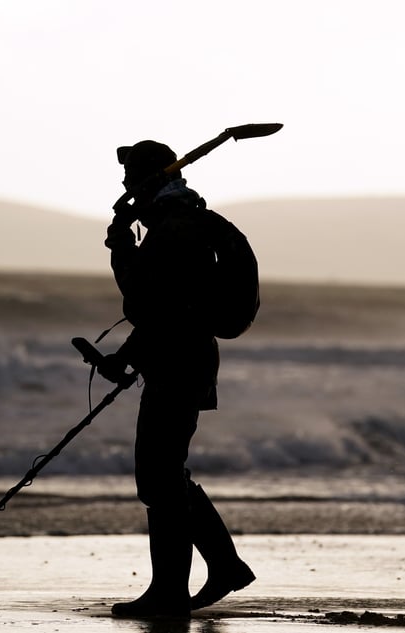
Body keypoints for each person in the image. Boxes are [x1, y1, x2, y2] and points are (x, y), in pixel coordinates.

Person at [98, 139, 255, 619]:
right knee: (165, 475)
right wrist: (128, 357)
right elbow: (164, 310)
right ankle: (224, 566)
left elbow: (146, 298)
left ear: (149, 180)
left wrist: (121, 246)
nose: (124, 186)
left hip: (179, 362)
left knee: (159, 477)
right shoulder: (175, 223)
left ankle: (170, 592)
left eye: (130, 178)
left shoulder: (175, 230)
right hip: (178, 357)